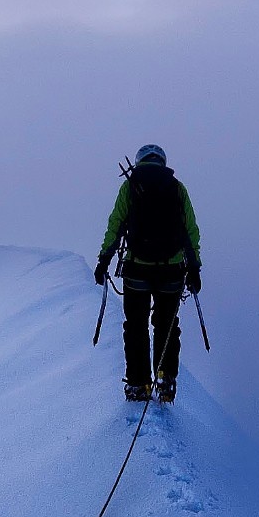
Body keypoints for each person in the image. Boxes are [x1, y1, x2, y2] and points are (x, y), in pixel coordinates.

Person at [95, 144, 201, 402]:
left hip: (136, 270)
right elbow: (191, 230)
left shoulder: (130, 186)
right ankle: (165, 379)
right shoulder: (177, 187)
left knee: (135, 327)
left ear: (139, 161)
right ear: (162, 162)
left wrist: (104, 259)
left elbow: (116, 224)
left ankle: (138, 384)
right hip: (172, 272)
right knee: (167, 326)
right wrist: (194, 268)